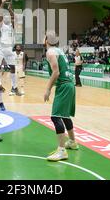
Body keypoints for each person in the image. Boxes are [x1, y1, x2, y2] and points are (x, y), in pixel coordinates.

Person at [43, 31, 78, 162]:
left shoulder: (50, 52)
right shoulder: (59, 50)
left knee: (56, 116)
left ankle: (62, 151)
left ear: (46, 40)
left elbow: (56, 72)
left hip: (64, 85)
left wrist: (47, 89)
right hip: (69, 84)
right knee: (64, 116)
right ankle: (72, 142)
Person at [0, 0, 17, 110]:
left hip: (9, 49)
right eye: (6, 17)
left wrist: (10, 8)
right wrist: (2, 3)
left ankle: (14, 87)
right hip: (2, 48)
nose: (8, 18)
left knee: (13, 67)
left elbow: (14, 17)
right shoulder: (2, 25)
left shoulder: (11, 25)